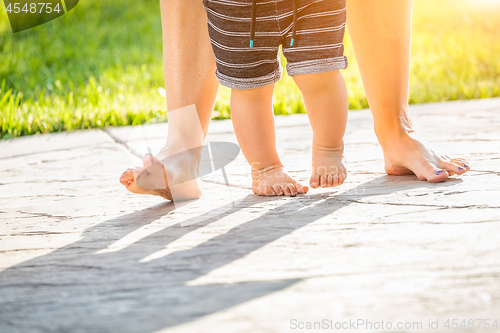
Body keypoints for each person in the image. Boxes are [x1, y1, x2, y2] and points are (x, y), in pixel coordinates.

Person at [119, 0, 470, 201]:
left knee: (321, 73)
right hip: (241, 9)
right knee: (250, 87)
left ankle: (344, 145)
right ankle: (262, 166)